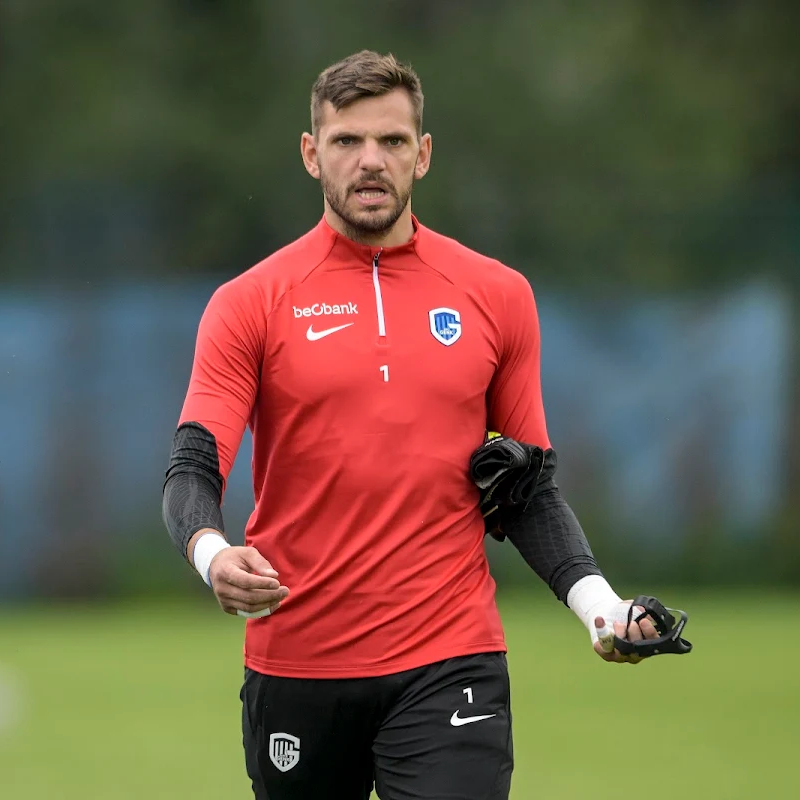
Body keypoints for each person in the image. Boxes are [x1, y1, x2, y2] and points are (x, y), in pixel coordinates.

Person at [161, 49, 678, 800]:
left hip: (450, 658)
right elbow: (193, 465)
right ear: (312, 155)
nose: (370, 161)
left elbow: (526, 487)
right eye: (346, 141)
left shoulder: (496, 294)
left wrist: (601, 608)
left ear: (423, 154)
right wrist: (212, 554)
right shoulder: (250, 302)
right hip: (297, 663)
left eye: (392, 141)